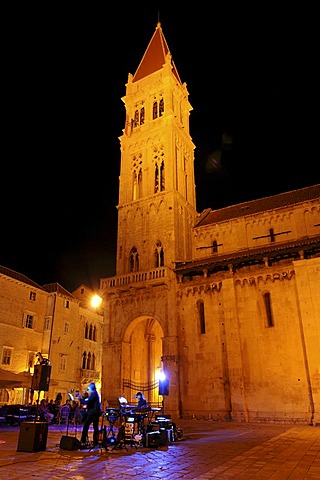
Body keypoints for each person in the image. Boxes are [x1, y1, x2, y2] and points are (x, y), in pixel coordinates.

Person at [77, 382, 101, 447]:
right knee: (95, 427)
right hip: (96, 412)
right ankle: (95, 441)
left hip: (93, 412)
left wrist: (80, 400)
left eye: (89, 387)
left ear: (91, 388)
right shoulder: (95, 394)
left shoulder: (93, 394)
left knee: (86, 425)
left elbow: (88, 401)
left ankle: (83, 440)